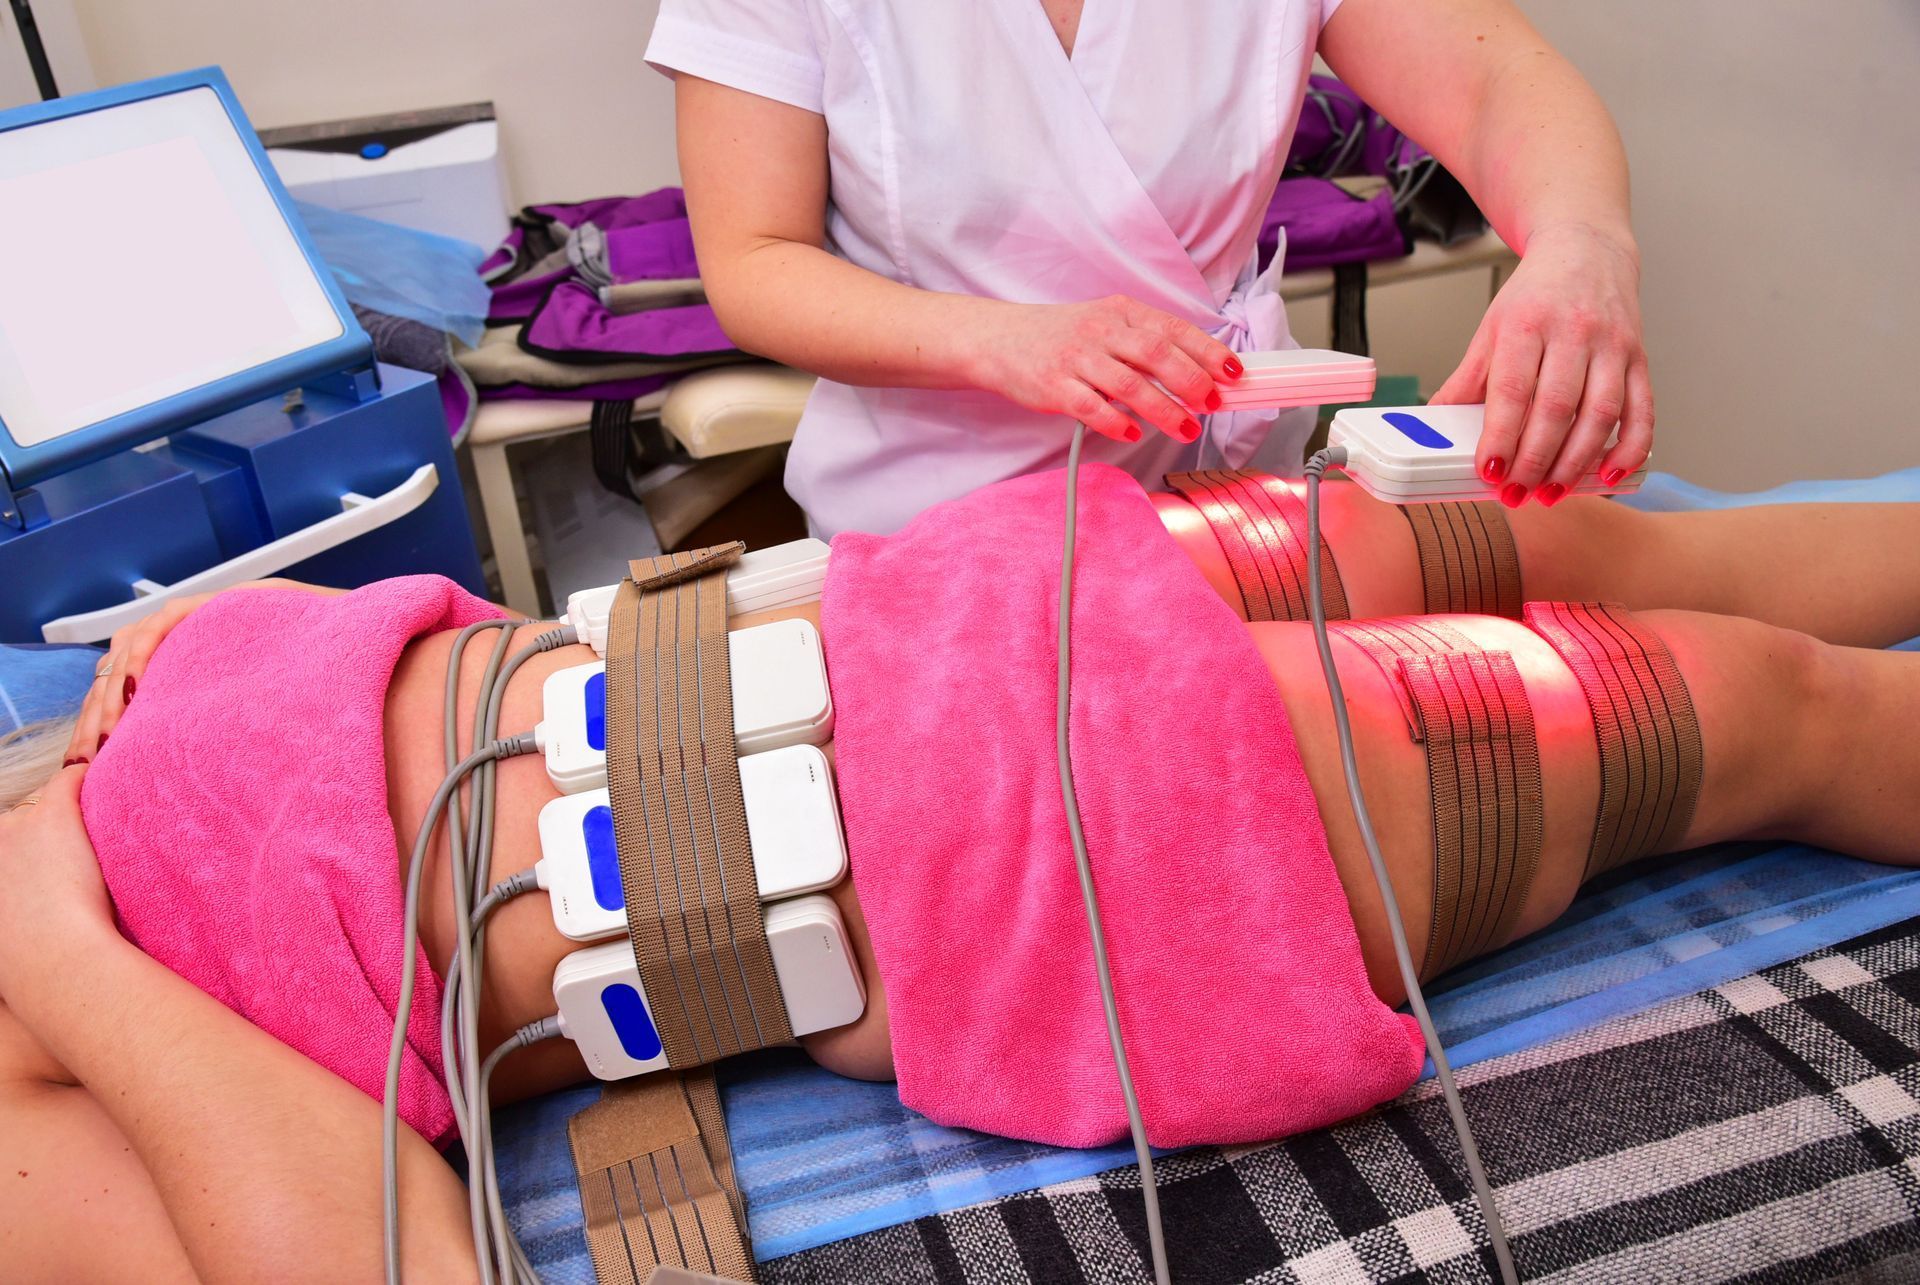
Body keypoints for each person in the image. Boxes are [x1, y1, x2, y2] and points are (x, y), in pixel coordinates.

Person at [4, 477, 1920, 1281]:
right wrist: (58, 951)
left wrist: (180, 656)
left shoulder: (67, 769)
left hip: (967, 591)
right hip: (1011, 834)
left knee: (1582, 544)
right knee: (1759, 711)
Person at [652, 0, 1654, 537]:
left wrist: (1582, 243)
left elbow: (1498, 84)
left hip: (1231, 513)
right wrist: (1003, 339)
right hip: (933, 529)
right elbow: (756, 261)